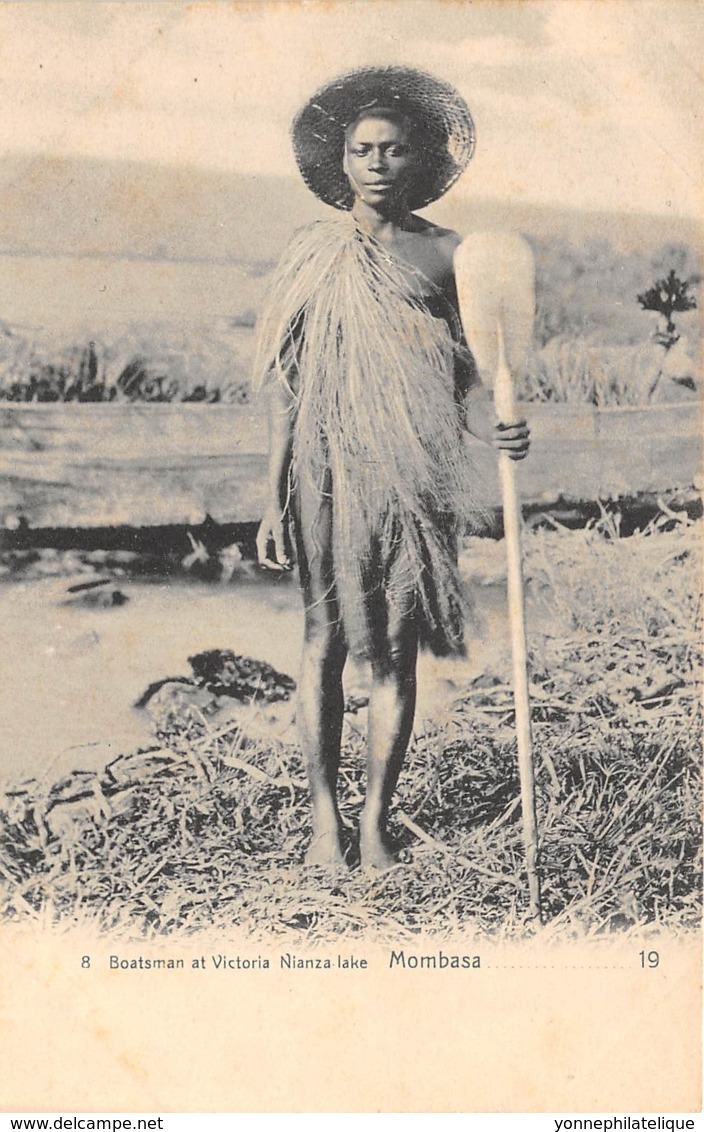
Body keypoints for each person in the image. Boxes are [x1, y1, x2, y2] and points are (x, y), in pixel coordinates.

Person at [254, 66, 530, 870]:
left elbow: (478, 371)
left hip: (413, 476)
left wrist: (506, 431)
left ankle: (376, 821)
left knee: (398, 643)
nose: (377, 162)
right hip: (325, 467)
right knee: (325, 636)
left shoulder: (449, 255)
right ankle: (321, 821)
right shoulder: (311, 254)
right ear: (340, 160)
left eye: (394, 149)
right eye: (363, 149)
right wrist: (272, 495)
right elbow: (284, 381)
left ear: (419, 161)